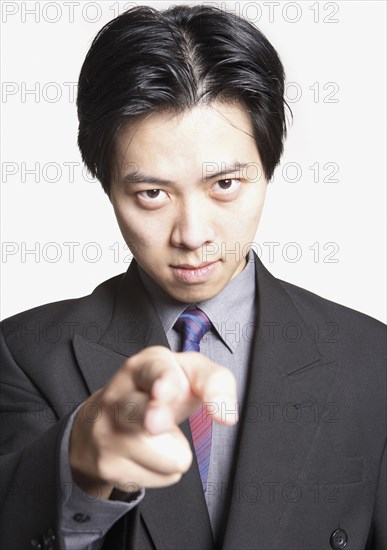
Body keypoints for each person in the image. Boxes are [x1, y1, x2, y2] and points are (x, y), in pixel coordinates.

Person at [0, 4, 385, 550]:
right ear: (106, 185)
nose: (193, 233)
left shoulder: (371, 359)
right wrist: (79, 464)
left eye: (225, 184)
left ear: (267, 168)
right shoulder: (25, 354)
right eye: (152, 194)